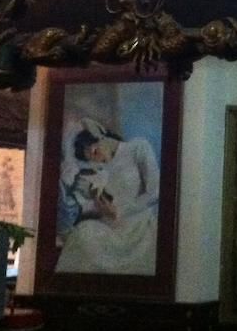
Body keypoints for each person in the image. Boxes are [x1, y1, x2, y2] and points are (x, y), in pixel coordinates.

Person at [55, 118, 160, 275]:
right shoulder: (99, 170)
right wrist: (99, 204)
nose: (97, 159)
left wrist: (119, 211)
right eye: (91, 158)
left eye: (94, 151)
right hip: (110, 227)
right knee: (82, 233)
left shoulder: (137, 147)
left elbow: (155, 191)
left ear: (100, 137)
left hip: (138, 226)